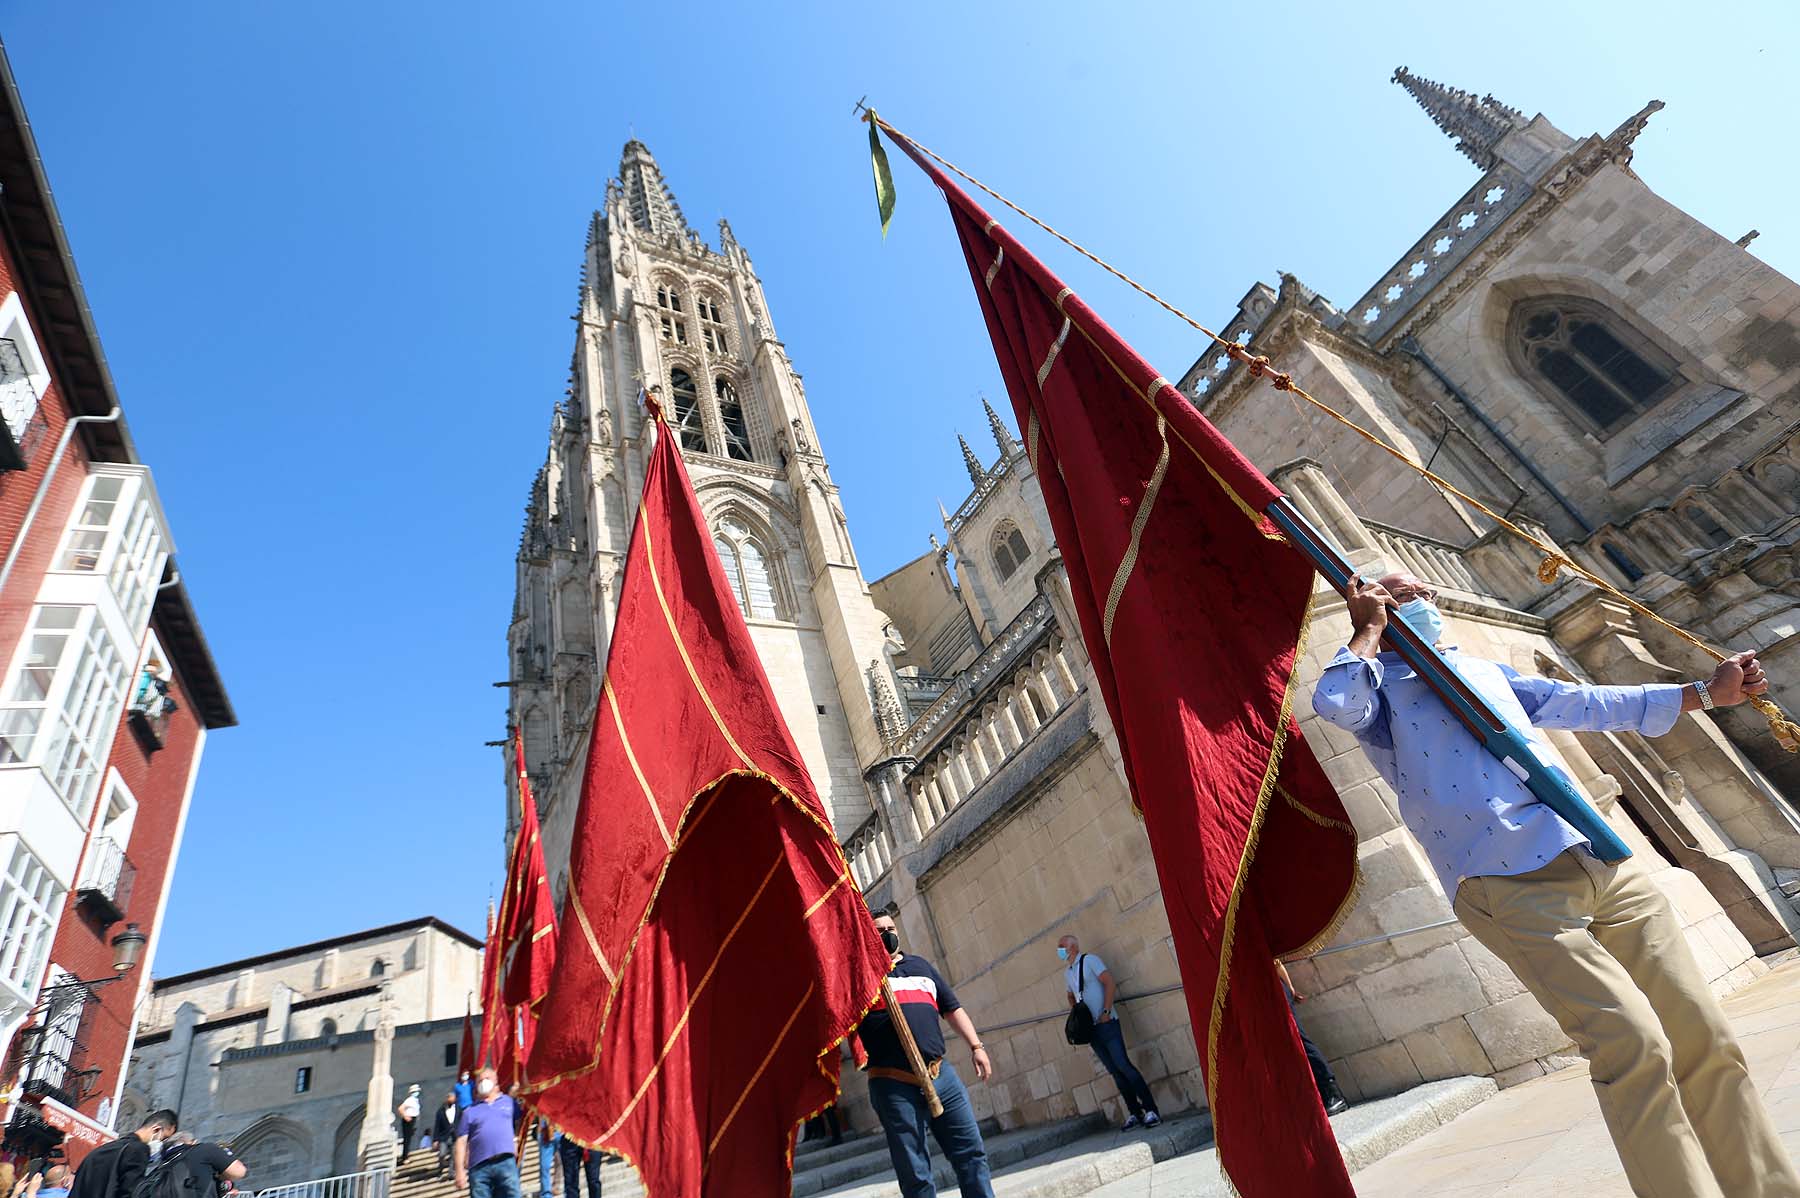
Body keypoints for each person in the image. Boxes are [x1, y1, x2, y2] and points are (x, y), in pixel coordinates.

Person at [1314, 569, 1800, 1198]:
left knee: (1704, 1033)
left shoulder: (1487, 672)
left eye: (1421, 593)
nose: (1419, 601)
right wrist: (1368, 631)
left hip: (1600, 859)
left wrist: (1707, 692)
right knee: (1633, 1047)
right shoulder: (1379, 689)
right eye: (1399, 595)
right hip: (1507, 885)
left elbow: (1588, 703)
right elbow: (1334, 703)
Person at [854, 907, 993, 1198]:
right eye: (879, 931)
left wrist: (976, 1046)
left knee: (971, 1153)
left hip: (941, 1076)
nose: (887, 935)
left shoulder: (921, 967)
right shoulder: (859, 976)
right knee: (915, 1173)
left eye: (891, 929)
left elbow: (952, 1009)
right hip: (894, 1084)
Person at [1056, 935, 1160, 1129]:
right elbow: (1070, 995)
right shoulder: (1068, 973)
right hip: (1091, 1029)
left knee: (1123, 1065)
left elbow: (1109, 982)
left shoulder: (1090, 961)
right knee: (1114, 1071)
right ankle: (1134, 1112)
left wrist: (1105, 1011)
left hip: (1107, 1022)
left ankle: (1151, 1109)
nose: (1059, 950)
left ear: (1072, 947)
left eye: (1062, 946)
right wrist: (1078, 1015)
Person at [1272, 959, 1348, 1115]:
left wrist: (1290, 988)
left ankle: (1334, 1094)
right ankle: (1316, 1097)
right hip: (1263, 997)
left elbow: (1276, 963)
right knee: (1286, 1046)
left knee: (1300, 1039)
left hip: (1276, 989)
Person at [69, 1110, 179, 1198]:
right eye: (164, 1139)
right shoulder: (139, 1149)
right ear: (156, 1130)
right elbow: (131, 1191)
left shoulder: (103, 1149)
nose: (162, 1146)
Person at [453, 1067, 522, 1198]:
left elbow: (520, 1122)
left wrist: (516, 1140)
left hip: (505, 1161)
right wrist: (459, 1171)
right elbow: (461, 1142)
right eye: (480, 1081)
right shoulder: (469, 1111)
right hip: (479, 1166)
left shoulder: (508, 1102)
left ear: (496, 1081)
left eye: (487, 1079)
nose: (483, 1082)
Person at [157, 1134, 245, 1197]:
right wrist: (225, 1153)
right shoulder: (203, 1150)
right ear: (193, 1142)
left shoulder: (161, 1167)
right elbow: (239, 1172)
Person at [433, 1091, 461, 1180]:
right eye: (450, 1097)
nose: (451, 1099)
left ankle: (451, 1173)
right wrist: (435, 1139)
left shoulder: (458, 1109)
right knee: (442, 1154)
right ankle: (440, 1170)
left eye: (453, 1097)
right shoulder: (440, 1111)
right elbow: (437, 1126)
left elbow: (461, 1121)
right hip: (444, 1137)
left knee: (453, 1155)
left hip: (455, 1136)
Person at [396, 1084, 422, 1164]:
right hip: (408, 1119)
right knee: (407, 1139)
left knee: (409, 1138)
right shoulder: (409, 1100)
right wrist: (405, 1116)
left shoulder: (415, 1100)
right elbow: (400, 1108)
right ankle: (405, 1157)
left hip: (413, 1119)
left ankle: (406, 1155)